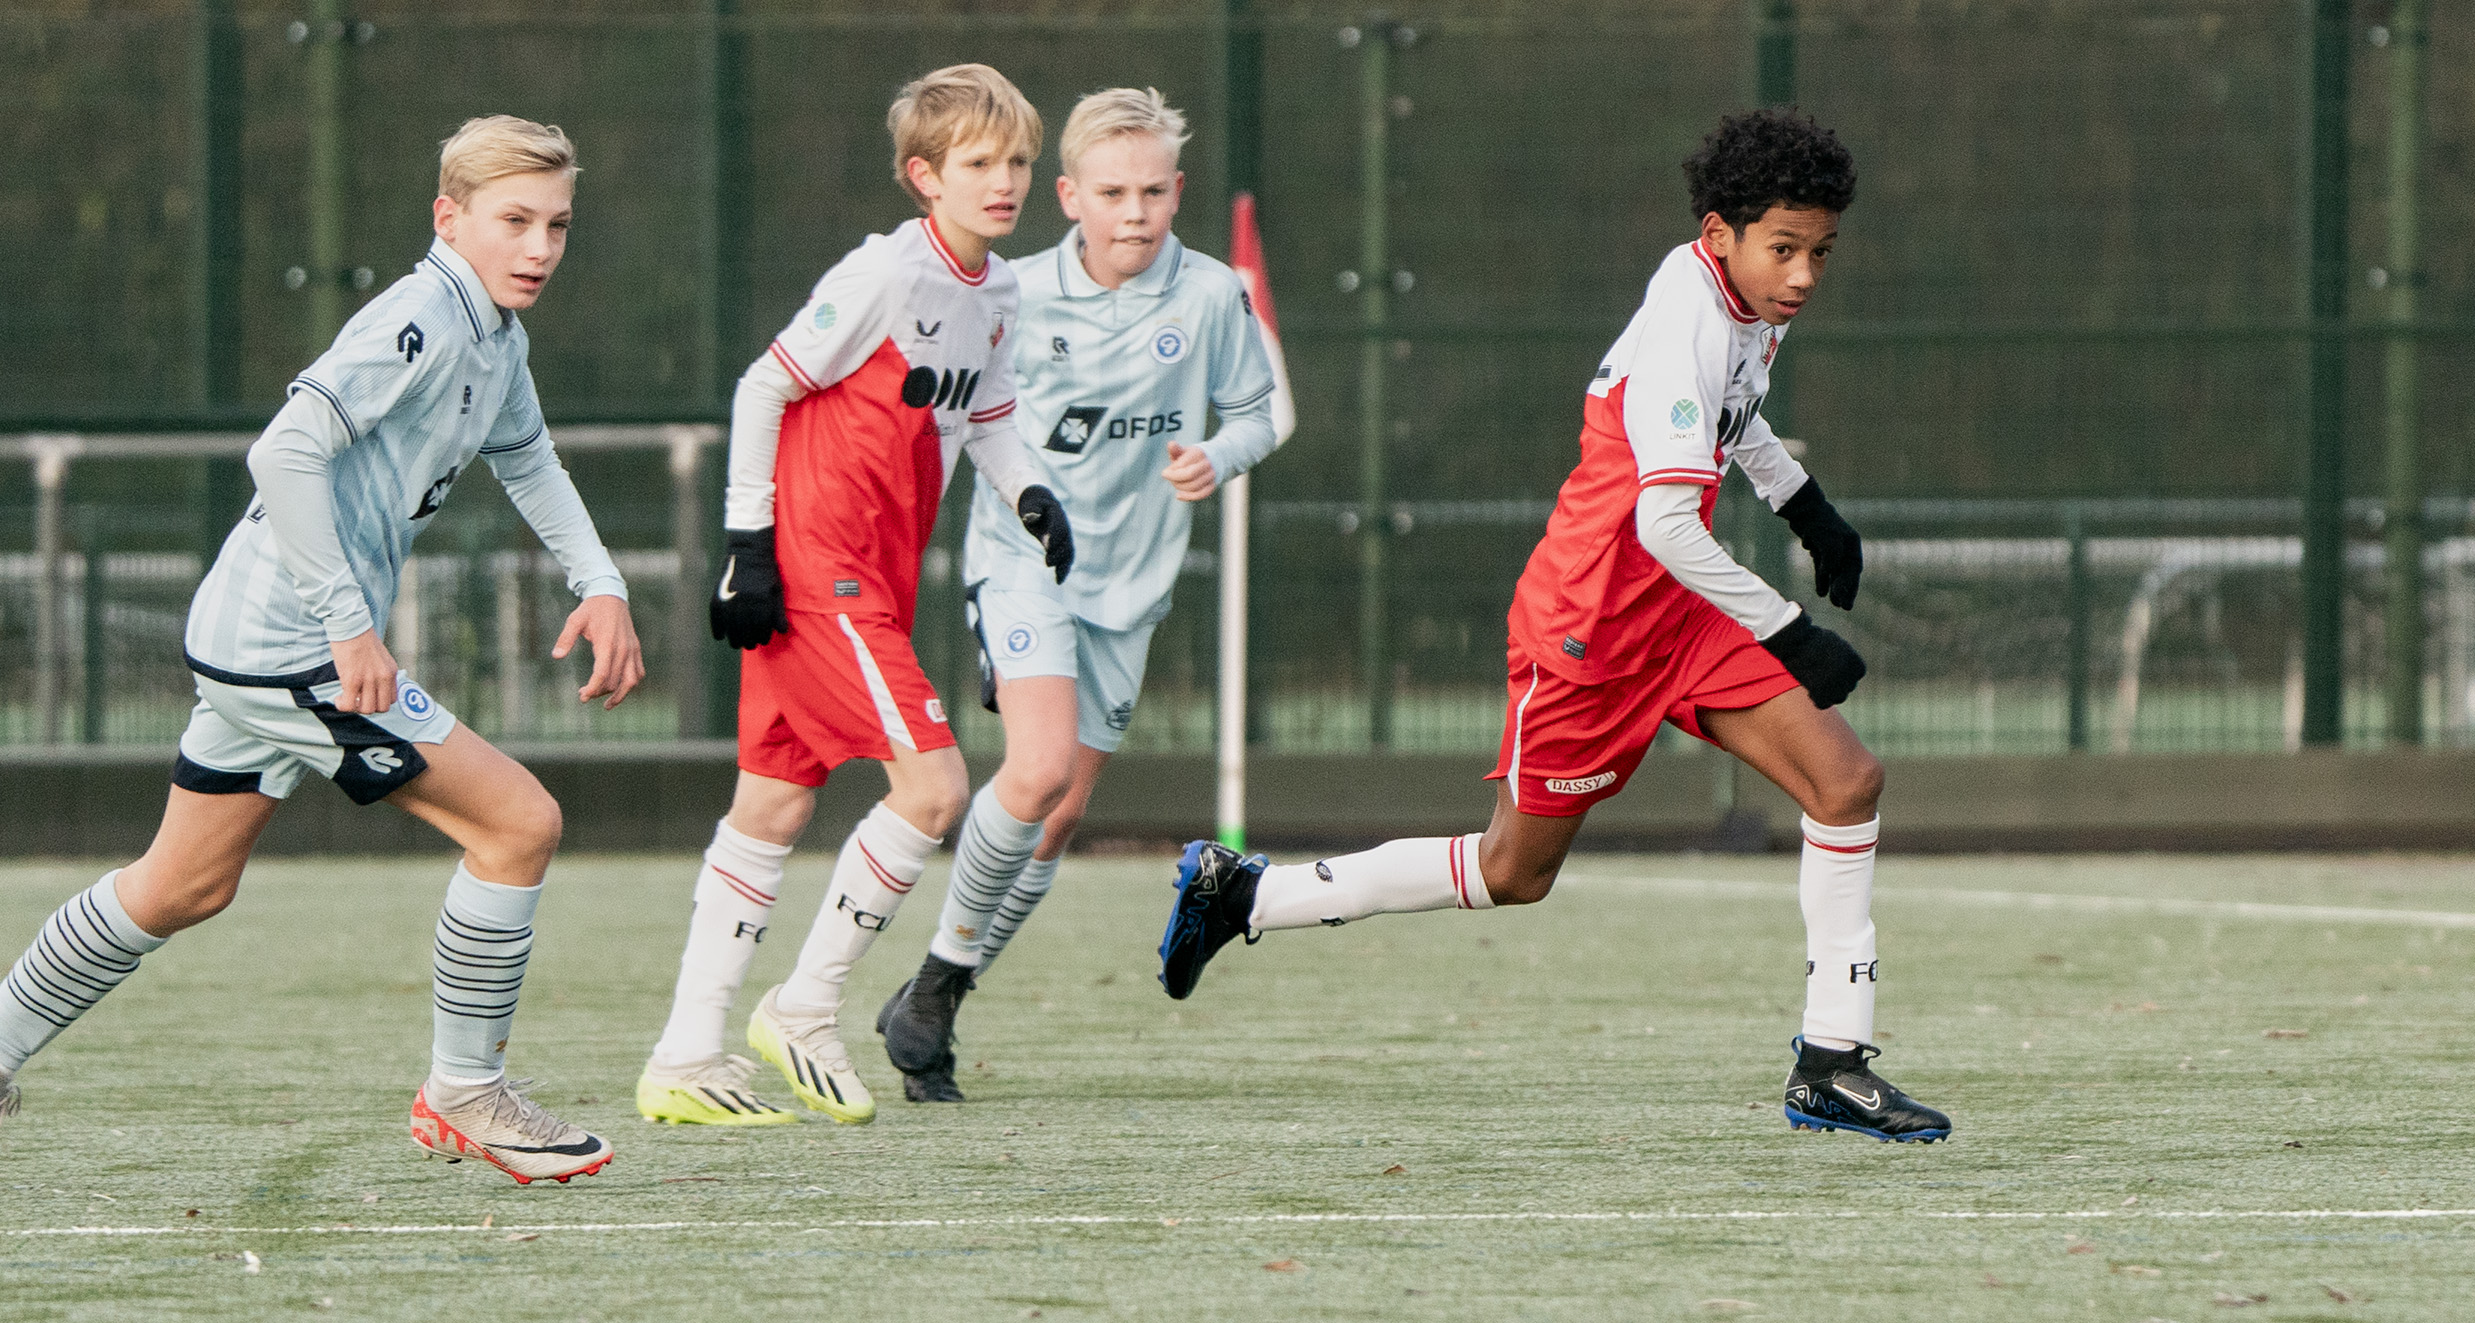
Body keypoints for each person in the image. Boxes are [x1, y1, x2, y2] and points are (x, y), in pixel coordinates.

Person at [1151, 108, 1950, 1143]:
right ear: (1721, 236)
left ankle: (1832, 1062)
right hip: (1590, 631)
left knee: (1848, 783)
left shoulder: (1733, 292)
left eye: (1821, 252)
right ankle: (1246, 894)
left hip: (1679, 614)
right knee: (1511, 873)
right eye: (1785, 250)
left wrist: (1803, 502)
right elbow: (1664, 519)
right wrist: (1790, 627)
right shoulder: (1689, 325)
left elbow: (1734, 409)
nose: (1803, 275)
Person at [0, 117, 642, 1184]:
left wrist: (604, 584)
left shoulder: (496, 336)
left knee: (181, 886)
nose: (538, 247)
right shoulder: (423, 320)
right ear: (450, 218)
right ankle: (465, 1095)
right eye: (514, 221)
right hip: (290, 647)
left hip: (259, 641)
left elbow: (528, 460)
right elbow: (285, 449)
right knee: (521, 823)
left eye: (558, 225)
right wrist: (349, 622)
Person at [637, 64, 1068, 1128]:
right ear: (925, 178)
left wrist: (1034, 496)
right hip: (816, 569)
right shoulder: (883, 274)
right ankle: (807, 1004)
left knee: (773, 804)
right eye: (979, 164)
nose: (1004, 181)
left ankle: (685, 1056)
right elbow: (763, 384)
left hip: (873, 573)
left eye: (1016, 160)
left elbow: (990, 419)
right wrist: (747, 543)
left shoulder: (998, 292)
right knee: (932, 791)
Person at [871, 87, 1280, 1103]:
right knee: (1039, 764)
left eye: (1151, 191)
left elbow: (1263, 410)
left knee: (1056, 821)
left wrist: (1219, 454)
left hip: (1131, 589)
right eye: (1111, 192)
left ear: (1176, 191)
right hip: (1024, 562)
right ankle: (927, 1001)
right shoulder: (1012, 292)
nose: (1134, 212)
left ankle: (939, 987)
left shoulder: (1211, 296)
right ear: (1069, 197)